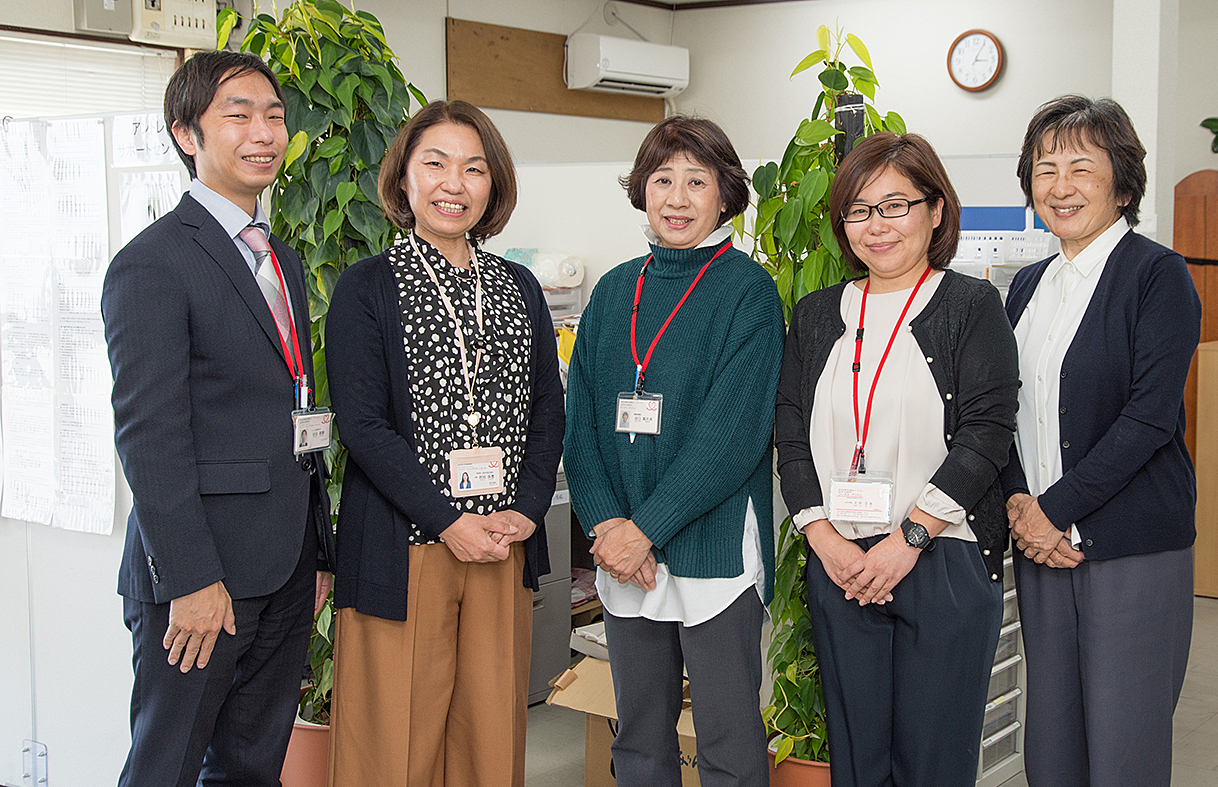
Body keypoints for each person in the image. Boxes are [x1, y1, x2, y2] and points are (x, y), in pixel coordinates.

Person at [102, 50, 334, 787]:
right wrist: (192, 579)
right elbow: (149, 435)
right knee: (165, 767)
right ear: (186, 134)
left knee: (249, 767)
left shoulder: (280, 260)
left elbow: (290, 407)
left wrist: (317, 551)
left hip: (285, 565)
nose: (263, 131)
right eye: (238, 114)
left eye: (273, 115)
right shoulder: (154, 263)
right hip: (202, 580)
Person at [324, 99, 564, 787]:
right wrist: (447, 520)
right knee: (393, 744)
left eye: (473, 168)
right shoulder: (368, 287)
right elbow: (363, 425)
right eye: (435, 164)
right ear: (405, 179)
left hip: (501, 542)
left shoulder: (519, 287)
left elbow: (547, 407)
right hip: (407, 549)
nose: (452, 184)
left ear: (494, 186)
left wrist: (527, 505)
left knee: (490, 738)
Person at [775, 132, 1018, 786]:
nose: (876, 226)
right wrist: (822, 538)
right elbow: (791, 435)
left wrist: (908, 538)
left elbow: (987, 432)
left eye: (895, 205)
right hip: (841, 561)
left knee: (932, 760)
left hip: (942, 556)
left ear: (936, 210)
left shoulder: (970, 306)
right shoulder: (817, 313)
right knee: (858, 759)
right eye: (859, 209)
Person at [563, 116, 784, 787]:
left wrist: (644, 531)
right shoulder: (613, 291)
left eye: (697, 180)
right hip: (625, 555)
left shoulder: (748, 292)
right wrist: (607, 526)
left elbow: (731, 440)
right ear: (642, 189)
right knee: (638, 737)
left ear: (725, 194)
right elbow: (582, 427)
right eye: (663, 179)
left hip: (712, 550)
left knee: (726, 739)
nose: (678, 197)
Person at [1001, 95, 1200, 787]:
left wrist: (1054, 508)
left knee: (1124, 746)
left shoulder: (1157, 275)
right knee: (1051, 743)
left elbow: (1148, 418)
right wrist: (1022, 507)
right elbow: (1000, 410)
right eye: (1044, 168)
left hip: (1129, 547)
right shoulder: (1027, 286)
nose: (1060, 186)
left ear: (1121, 179)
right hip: (1039, 547)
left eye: (1081, 167)